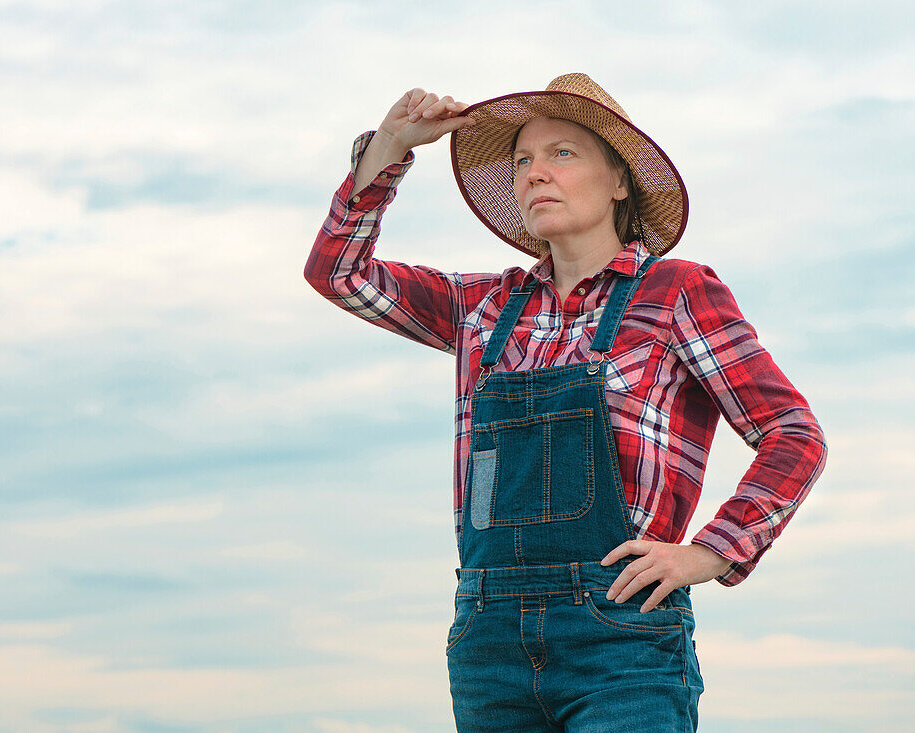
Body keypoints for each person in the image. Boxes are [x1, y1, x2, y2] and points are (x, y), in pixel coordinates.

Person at [303, 73, 826, 732]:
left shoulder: (675, 292)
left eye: (561, 154)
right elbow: (338, 273)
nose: (533, 173)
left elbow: (793, 432)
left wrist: (713, 550)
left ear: (618, 181)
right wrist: (390, 148)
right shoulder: (483, 308)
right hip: (488, 638)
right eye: (521, 160)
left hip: (622, 638)